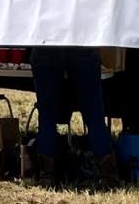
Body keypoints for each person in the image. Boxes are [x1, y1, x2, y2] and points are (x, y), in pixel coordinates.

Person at [29, 47, 118, 184]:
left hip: (46, 42)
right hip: (82, 42)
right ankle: (108, 175)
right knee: (94, 115)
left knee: (47, 115)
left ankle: (46, 175)